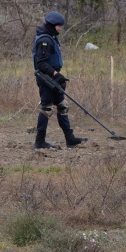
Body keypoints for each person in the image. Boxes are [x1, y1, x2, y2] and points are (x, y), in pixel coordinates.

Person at [32, 11, 87, 149]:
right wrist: (55, 74)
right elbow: (41, 64)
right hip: (46, 79)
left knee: (63, 106)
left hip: (53, 78)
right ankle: (39, 142)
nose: (60, 29)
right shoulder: (44, 40)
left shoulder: (51, 37)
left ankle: (70, 139)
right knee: (47, 108)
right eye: (58, 26)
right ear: (52, 25)